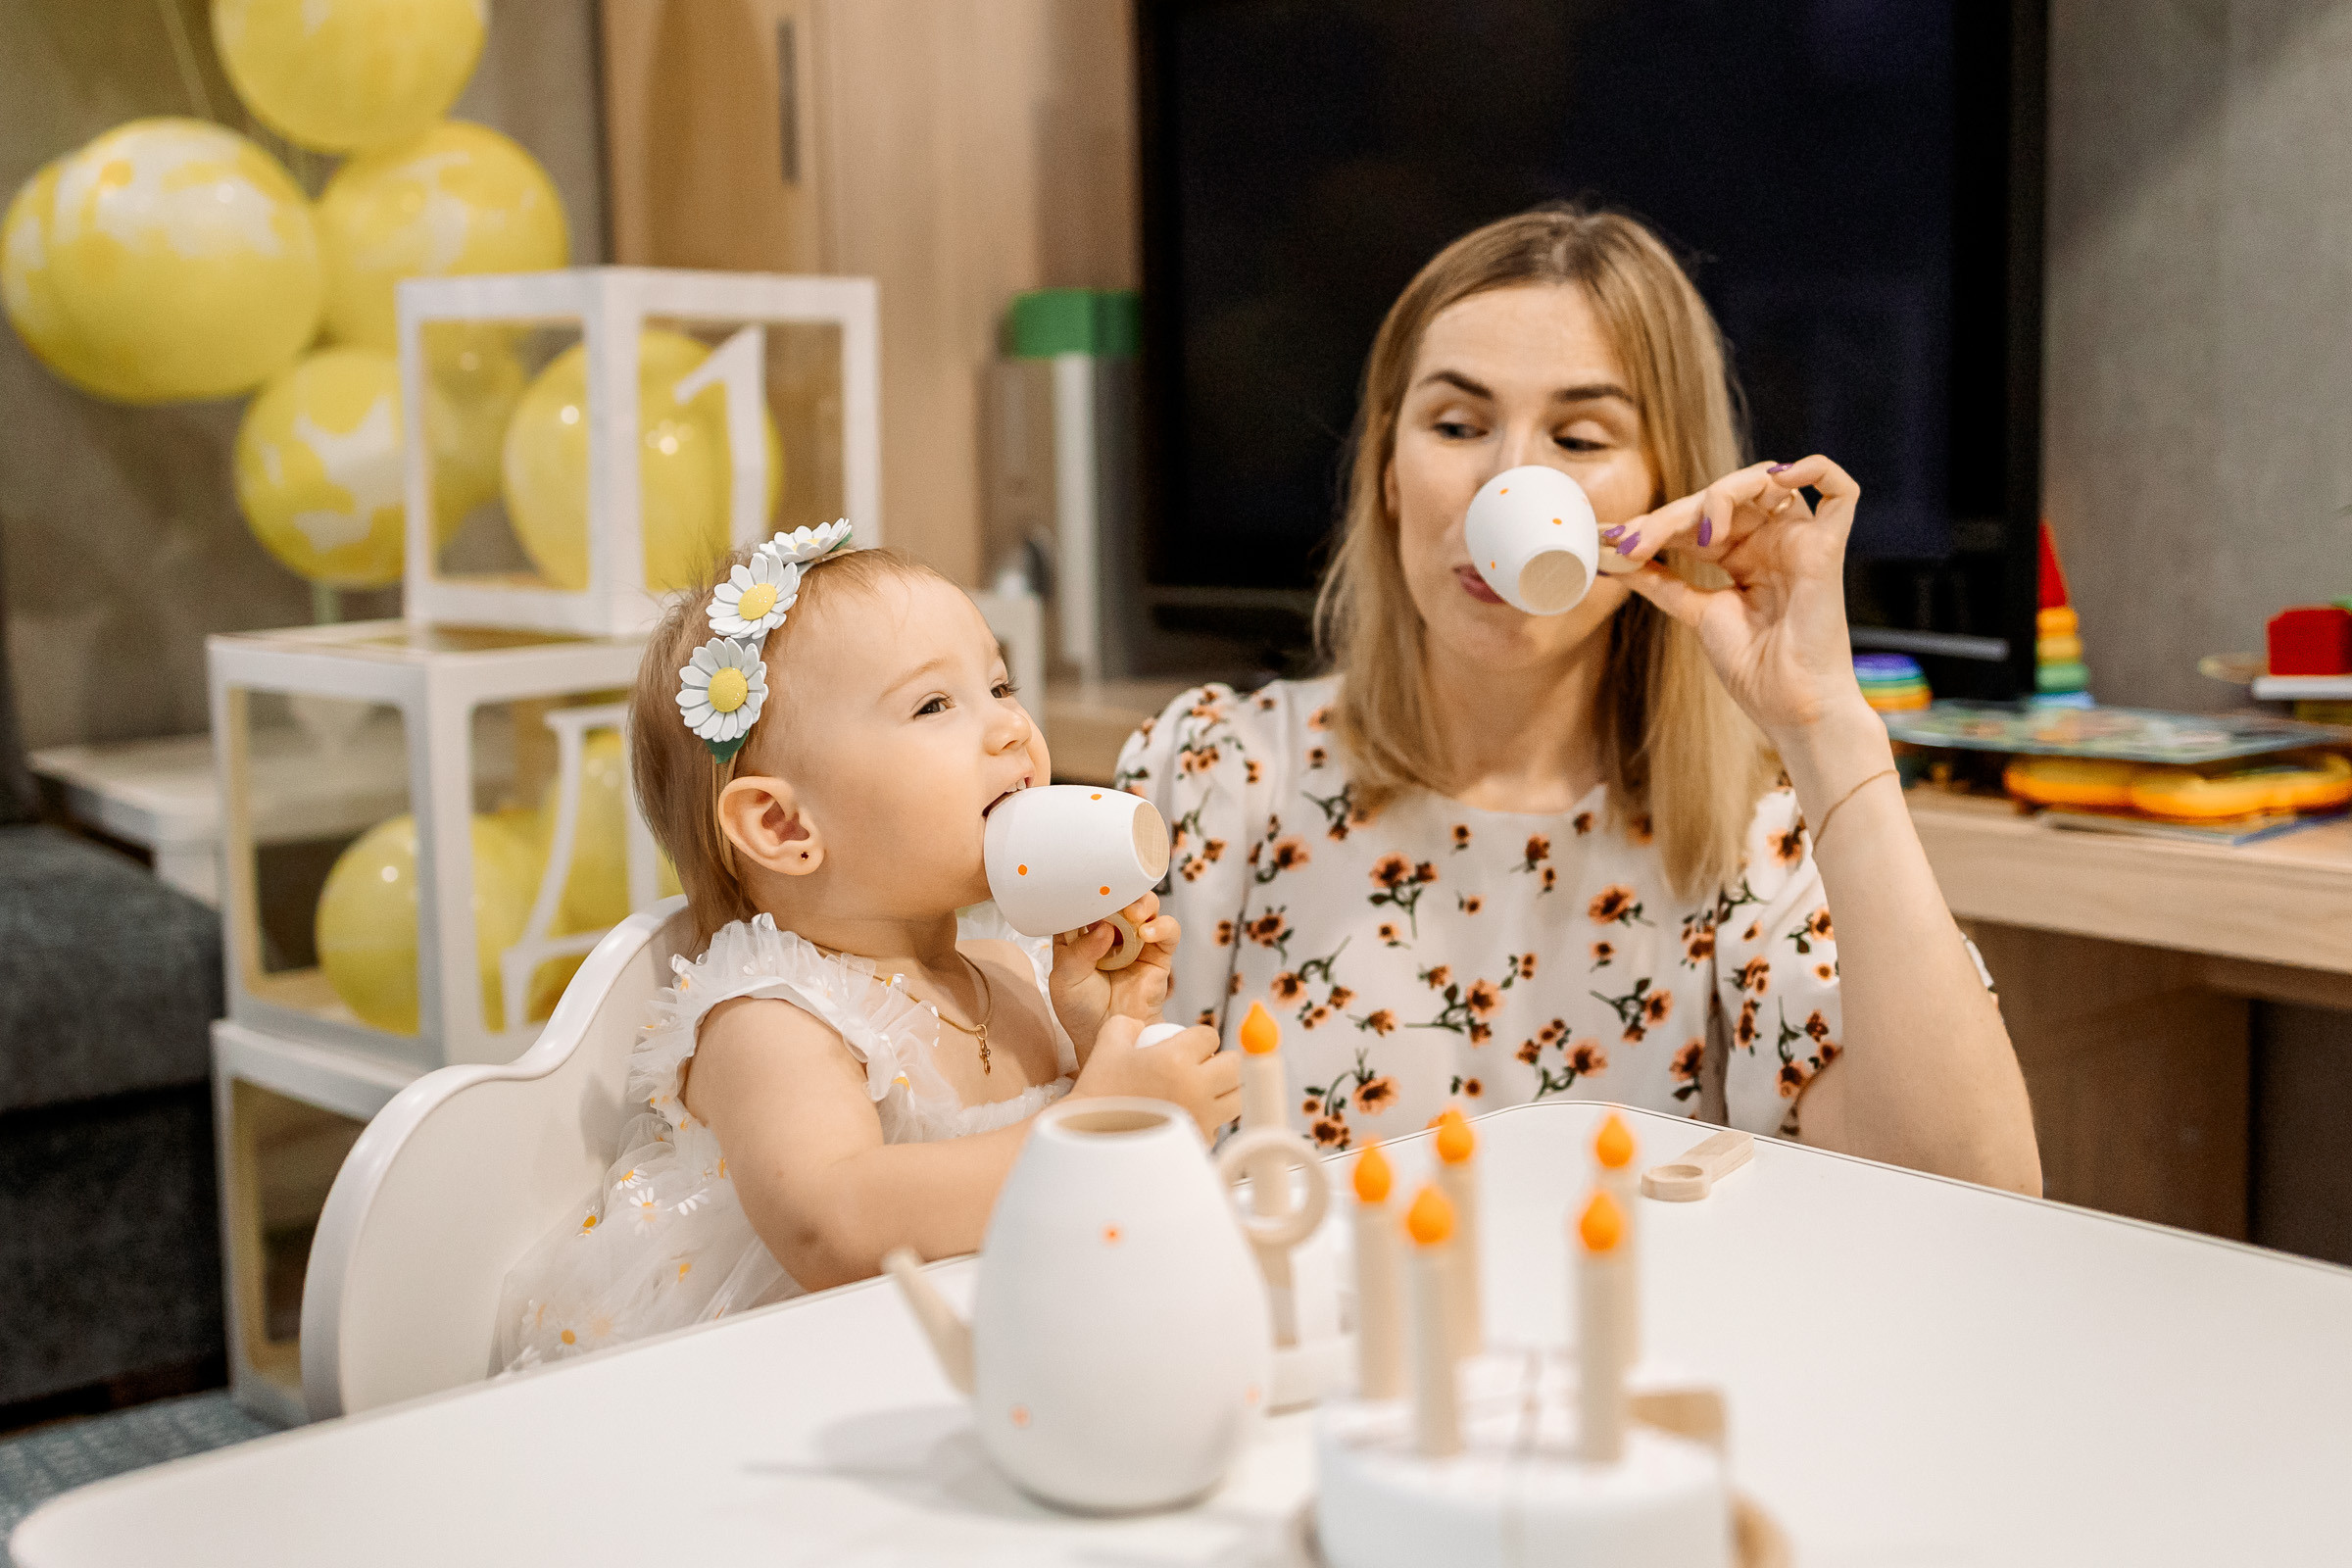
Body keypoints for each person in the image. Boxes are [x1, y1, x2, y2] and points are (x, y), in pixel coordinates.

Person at [1117, 206, 2039, 1192]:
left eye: (1581, 435)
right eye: (1457, 425)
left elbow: (1978, 1191)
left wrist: (1826, 731)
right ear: (1389, 472)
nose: (1509, 481)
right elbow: (1073, 1165)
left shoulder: (1755, 839)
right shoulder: (1216, 777)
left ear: (1667, 494)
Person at [499, 525, 1237, 1368]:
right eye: (934, 705)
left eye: (1000, 685)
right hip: (810, 1383)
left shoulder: (1010, 971)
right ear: (783, 825)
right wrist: (1090, 1119)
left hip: (1012, 1355)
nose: (1010, 730)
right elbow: (835, 1223)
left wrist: (1095, 1036)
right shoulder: (775, 1021)